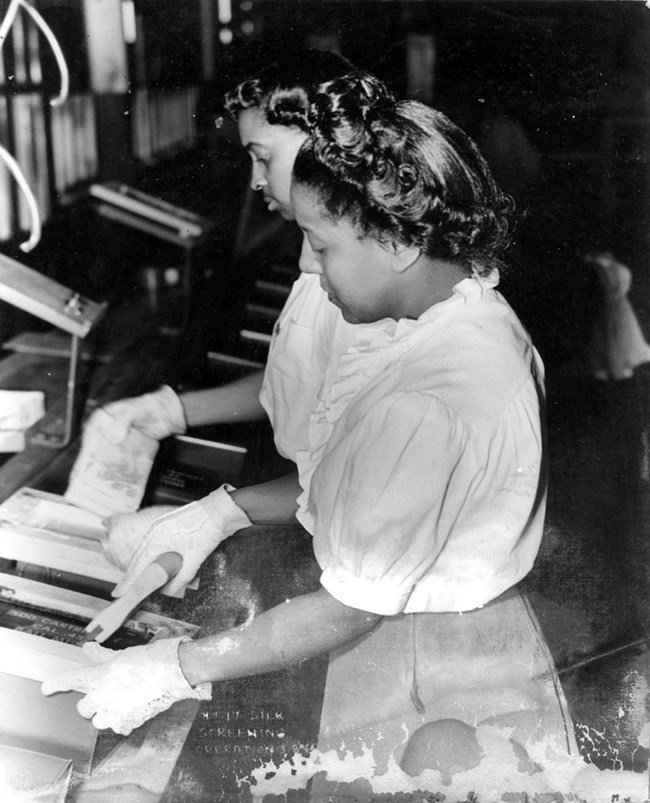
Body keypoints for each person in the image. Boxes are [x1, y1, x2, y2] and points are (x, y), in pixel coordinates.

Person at [43, 73, 577, 792]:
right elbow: (355, 481)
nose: (314, 273)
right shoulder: (457, 314)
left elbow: (351, 604)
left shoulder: (427, 398)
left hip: (437, 664)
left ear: (395, 242)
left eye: (321, 247)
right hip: (421, 630)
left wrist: (177, 665)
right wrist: (218, 511)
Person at [87, 49, 361, 578]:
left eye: (264, 157)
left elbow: (356, 476)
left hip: (330, 534)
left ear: (323, 149)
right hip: (301, 503)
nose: (255, 181)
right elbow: (297, 378)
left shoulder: (357, 279)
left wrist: (210, 517)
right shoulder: (314, 254)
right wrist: (171, 411)